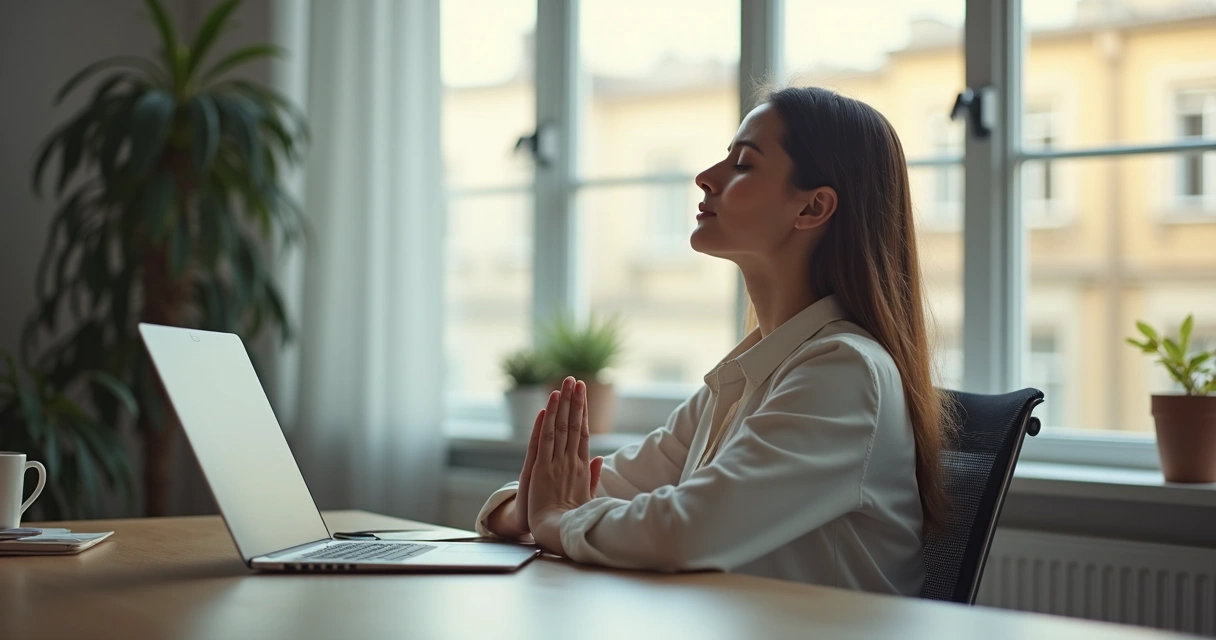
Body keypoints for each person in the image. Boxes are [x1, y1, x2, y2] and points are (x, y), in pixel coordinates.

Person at [475, 85, 953, 597]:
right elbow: (610, 483)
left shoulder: (845, 372)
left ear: (813, 207)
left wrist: (555, 517)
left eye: (743, 164)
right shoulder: (748, 375)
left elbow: (679, 533)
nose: (705, 178)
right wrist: (524, 507)